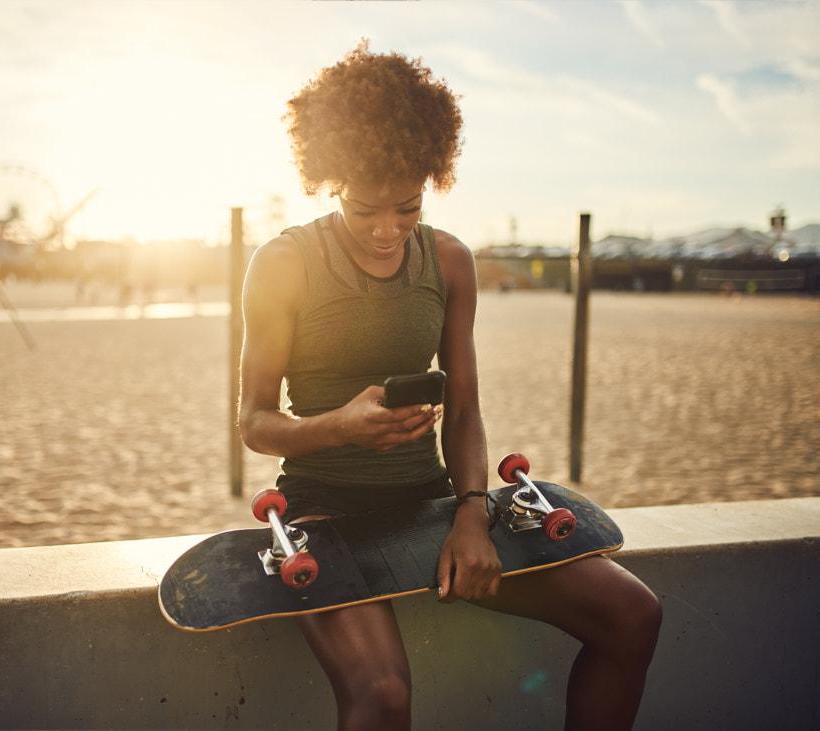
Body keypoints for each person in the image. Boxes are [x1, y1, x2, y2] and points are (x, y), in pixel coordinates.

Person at [238, 42, 662, 731]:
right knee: (382, 695)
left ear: (431, 176)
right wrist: (339, 426)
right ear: (330, 177)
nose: (386, 231)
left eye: (406, 208)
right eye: (364, 209)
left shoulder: (450, 261)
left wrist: (470, 512)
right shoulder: (284, 263)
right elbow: (253, 421)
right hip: (325, 515)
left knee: (634, 614)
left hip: (431, 505)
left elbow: (464, 410)